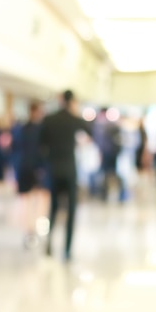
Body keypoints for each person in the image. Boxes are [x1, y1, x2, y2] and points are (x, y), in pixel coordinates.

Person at [38, 90, 92, 261]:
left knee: (53, 208)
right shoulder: (73, 119)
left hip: (53, 169)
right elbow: (90, 131)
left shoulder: (49, 119)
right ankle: (67, 250)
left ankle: (49, 243)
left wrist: (47, 162)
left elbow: (41, 145)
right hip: (69, 170)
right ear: (72, 101)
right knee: (71, 210)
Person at [13, 103, 46, 248]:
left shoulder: (21, 129)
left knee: (28, 199)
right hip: (33, 168)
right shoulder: (38, 130)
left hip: (24, 167)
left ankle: (30, 227)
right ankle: (32, 226)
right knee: (34, 198)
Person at [93, 107, 127, 202]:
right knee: (109, 174)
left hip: (109, 154)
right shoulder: (109, 126)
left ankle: (108, 194)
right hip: (110, 154)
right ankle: (109, 194)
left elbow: (103, 142)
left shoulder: (105, 126)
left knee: (108, 174)